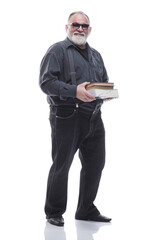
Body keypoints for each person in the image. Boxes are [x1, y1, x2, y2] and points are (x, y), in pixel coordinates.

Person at [39, 11, 112, 227]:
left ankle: (86, 209)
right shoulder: (57, 51)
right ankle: (54, 211)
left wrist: (104, 92)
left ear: (89, 30)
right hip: (67, 116)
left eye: (84, 25)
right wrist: (74, 91)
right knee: (62, 165)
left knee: (96, 164)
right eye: (75, 24)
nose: (80, 28)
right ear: (67, 27)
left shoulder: (96, 55)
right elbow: (46, 83)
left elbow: (103, 80)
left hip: (94, 117)